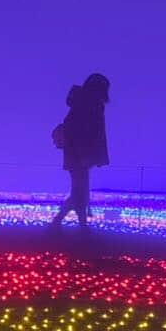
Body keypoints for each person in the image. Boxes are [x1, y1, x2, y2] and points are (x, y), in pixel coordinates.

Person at [51, 73, 110, 227]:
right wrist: (87, 155)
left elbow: (78, 130)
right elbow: (87, 132)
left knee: (79, 191)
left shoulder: (82, 103)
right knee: (80, 191)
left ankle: (76, 223)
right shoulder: (90, 104)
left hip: (77, 155)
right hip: (81, 156)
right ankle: (62, 221)